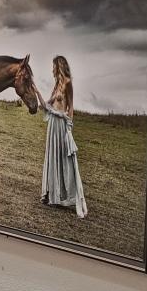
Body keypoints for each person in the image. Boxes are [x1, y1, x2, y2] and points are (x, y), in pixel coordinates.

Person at [40, 55, 88, 218]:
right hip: (52, 125)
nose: (52, 70)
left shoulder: (67, 83)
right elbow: (48, 105)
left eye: (53, 66)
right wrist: (38, 94)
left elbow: (71, 107)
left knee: (63, 159)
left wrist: (69, 128)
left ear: (59, 66)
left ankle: (66, 196)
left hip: (61, 126)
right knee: (52, 157)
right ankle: (52, 194)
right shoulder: (56, 85)